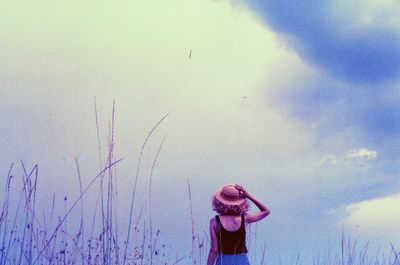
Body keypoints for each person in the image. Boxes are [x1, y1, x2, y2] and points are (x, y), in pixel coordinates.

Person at [207, 184, 270, 265]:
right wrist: (248, 196)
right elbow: (266, 211)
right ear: (241, 202)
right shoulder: (245, 218)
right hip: (242, 260)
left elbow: (214, 250)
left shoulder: (214, 221)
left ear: (218, 202)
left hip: (224, 261)